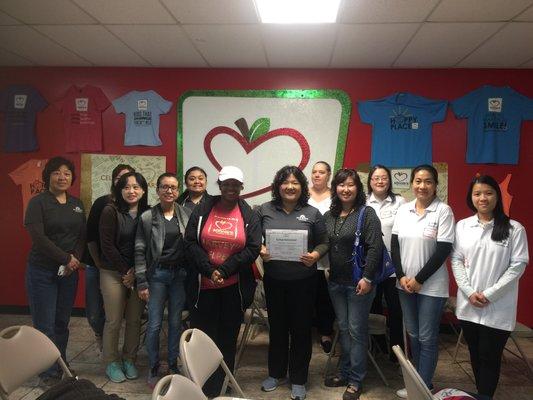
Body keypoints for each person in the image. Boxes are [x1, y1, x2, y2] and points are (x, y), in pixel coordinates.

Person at [184, 166, 261, 397]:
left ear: (241, 187)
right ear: (219, 185)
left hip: (233, 288)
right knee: (203, 338)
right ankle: (203, 382)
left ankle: (225, 380)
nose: (230, 188)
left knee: (228, 337)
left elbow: (253, 247)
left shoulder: (249, 215)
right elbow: (189, 242)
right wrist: (209, 270)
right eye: (226, 183)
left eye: (235, 184)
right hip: (203, 287)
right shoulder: (203, 209)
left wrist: (224, 270)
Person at [452, 175, 529, 400]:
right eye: (477, 194)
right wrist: (468, 291)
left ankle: (484, 396)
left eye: (488, 193)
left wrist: (489, 294)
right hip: (469, 305)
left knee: (490, 356)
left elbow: (518, 266)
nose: (482, 198)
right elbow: (456, 260)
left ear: (497, 196)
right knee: (475, 355)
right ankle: (482, 394)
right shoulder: (463, 226)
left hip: (498, 307)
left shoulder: (514, 229)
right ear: (471, 197)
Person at [258, 165, 329, 400]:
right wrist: (261, 249)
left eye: (295, 183)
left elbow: (324, 241)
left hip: (304, 282)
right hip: (274, 280)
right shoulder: (264, 210)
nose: (290, 186)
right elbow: (253, 239)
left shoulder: (311, 213)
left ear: (302, 187)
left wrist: (316, 256)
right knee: (277, 329)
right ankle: (275, 373)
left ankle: (299, 379)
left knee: (301, 330)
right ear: (278, 186)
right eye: (285, 182)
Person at [391, 164, 455, 398]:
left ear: (435, 185)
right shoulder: (404, 209)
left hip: (431, 287)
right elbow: (394, 246)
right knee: (414, 334)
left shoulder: (443, 211)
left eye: (428, 181)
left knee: (427, 337)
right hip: (404, 284)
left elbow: (443, 250)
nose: (422, 186)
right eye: (418, 181)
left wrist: (418, 279)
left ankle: (424, 386)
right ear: (412, 184)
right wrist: (401, 276)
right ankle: (418, 380)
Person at [24, 156, 86, 386]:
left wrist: (75, 259)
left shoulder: (77, 204)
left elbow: (82, 235)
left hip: (68, 273)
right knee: (45, 324)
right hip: (42, 271)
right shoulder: (37, 203)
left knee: (61, 322)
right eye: (57, 173)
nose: (62, 177)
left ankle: (60, 363)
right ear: (48, 176)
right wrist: (66, 258)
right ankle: (47, 372)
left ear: (72, 178)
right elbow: (39, 239)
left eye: (67, 173)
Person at [323, 168, 383, 400]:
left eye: (350, 185)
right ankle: (345, 372)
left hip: (360, 284)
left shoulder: (366, 213)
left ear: (357, 188)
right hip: (336, 282)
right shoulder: (330, 216)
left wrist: (367, 278)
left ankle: (356, 380)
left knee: (357, 331)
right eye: (341, 185)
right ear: (335, 188)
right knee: (344, 329)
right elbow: (325, 244)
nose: (345, 189)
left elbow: (375, 247)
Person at [135, 172, 191, 388]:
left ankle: (173, 364)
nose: (169, 191)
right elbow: (139, 251)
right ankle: (154, 365)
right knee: (155, 323)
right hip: (157, 275)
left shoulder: (185, 214)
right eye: (165, 187)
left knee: (176, 322)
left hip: (180, 276)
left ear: (178, 191)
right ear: (157, 190)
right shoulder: (147, 217)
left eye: (174, 187)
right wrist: (141, 281)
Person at [99, 172, 149, 383]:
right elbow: (107, 245)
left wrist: (135, 273)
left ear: (144, 190)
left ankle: (129, 358)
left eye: (136, 187)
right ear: (119, 190)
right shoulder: (110, 211)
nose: (131, 191)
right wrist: (125, 271)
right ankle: (111, 361)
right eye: (127, 187)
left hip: (139, 273)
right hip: (112, 271)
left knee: (135, 319)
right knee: (114, 320)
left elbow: (150, 245)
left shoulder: (148, 212)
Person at [84, 164, 135, 351]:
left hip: (126, 270)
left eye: (129, 179)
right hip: (99, 264)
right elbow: (92, 237)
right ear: (115, 182)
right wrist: (98, 263)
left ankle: (119, 351)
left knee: (124, 316)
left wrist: (131, 270)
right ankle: (101, 339)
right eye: (120, 179)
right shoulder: (103, 204)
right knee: (96, 313)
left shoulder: (137, 206)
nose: (126, 184)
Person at [366, 165, 406, 361]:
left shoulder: (400, 202)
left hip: (393, 267)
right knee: (372, 308)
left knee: (396, 310)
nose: (380, 181)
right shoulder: (363, 202)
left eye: (384, 178)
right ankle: (377, 347)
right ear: (370, 182)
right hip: (371, 265)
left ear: (389, 181)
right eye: (376, 178)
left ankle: (397, 353)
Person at [308, 161, 336, 354]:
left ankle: (326, 333)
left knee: (326, 298)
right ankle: (304, 332)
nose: (317, 175)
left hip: (329, 255)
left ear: (329, 175)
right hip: (306, 254)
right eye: (314, 172)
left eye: (321, 172)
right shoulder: (303, 194)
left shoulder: (336, 197)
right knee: (305, 296)